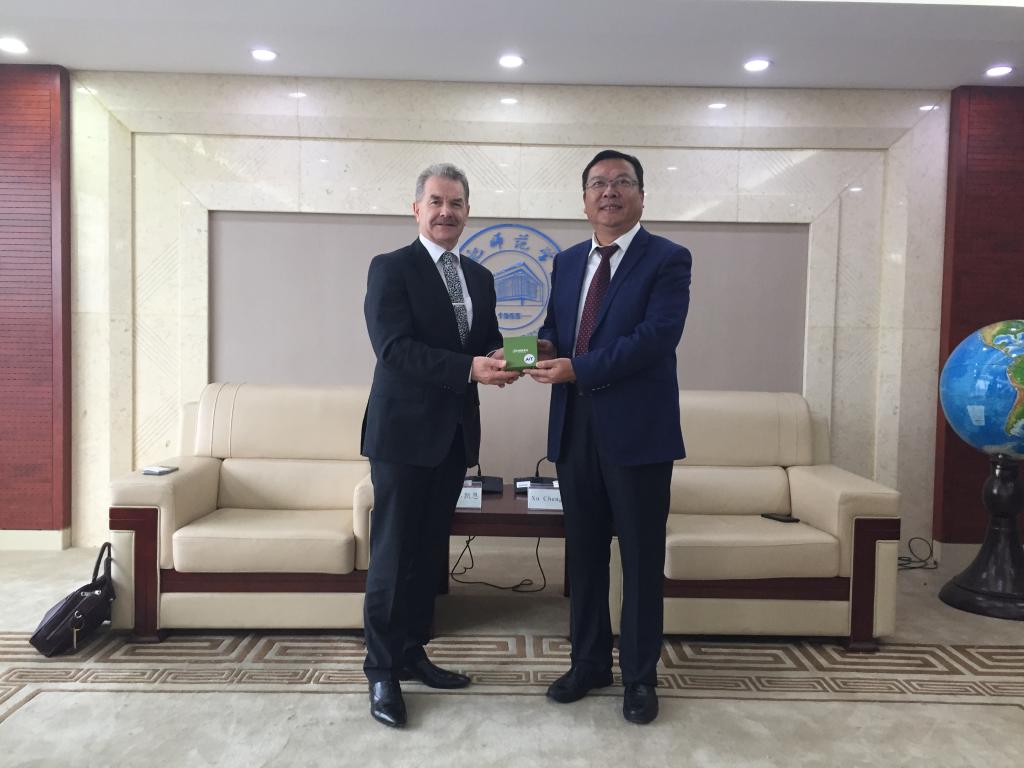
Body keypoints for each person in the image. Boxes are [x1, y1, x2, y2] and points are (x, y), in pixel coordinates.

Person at [525, 150, 691, 724]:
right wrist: (538, 350)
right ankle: (589, 663)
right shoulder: (568, 261)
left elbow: (656, 337)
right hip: (575, 430)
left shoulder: (668, 259)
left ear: (641, 195)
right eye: (598, 183)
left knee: (641, 560)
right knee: (586, 555)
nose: (610, 191)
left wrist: (578, 368)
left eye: (622, 182)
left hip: (639, 434)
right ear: (584, 200)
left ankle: (640, 677)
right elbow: (559, 330)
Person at [361, 162, 519, 728]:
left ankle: (411, 652)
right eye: (436, 201)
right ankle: (381, 670)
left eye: (455, 203)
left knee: (427, 555)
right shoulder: (391, 268)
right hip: (402, 436)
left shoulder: (479, 277)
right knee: (392, 554)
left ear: (467, 211)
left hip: (453, 436)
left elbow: (486, 342)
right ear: (417, 209)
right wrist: (470, 369)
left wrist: (513, 357)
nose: (446, 212)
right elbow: (394, 349)